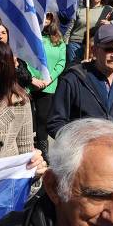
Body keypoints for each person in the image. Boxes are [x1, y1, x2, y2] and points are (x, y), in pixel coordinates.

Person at [48, 24, 113, 138]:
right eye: (109, 49)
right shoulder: (73, 79)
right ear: (94, 50)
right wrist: (83, 140)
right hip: (81, 152)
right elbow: (55, 123)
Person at [28, 12, 67, 158]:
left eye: (48, 16)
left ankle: (42, 149)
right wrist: (31, 78)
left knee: (43, 118)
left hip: (48, 85)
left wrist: (50, 78)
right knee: (28, 117)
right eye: (43, 15)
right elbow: (23, 57)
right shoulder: (31, 36)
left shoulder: (58, 40)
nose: (45, 19)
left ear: (53, 19)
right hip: (30, 83)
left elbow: (61, 62)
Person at [65, 0, 113, 65]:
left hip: (92, 45)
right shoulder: (80, 9)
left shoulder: (107, 9)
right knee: (73, 68)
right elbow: (71, 26)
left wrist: (110, 22)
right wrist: (65, 41)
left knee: (88, 69)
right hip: (75, 43)